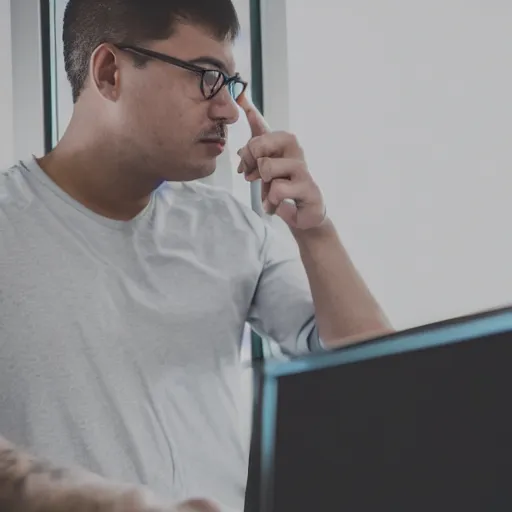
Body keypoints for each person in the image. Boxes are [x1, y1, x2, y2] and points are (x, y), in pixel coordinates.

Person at [0, 0, 390, 510]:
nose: (228, 108)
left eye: (230, 83)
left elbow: (376, 383)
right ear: (110, 72)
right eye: (206, 77)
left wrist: (316, 233)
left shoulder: (233, 231)